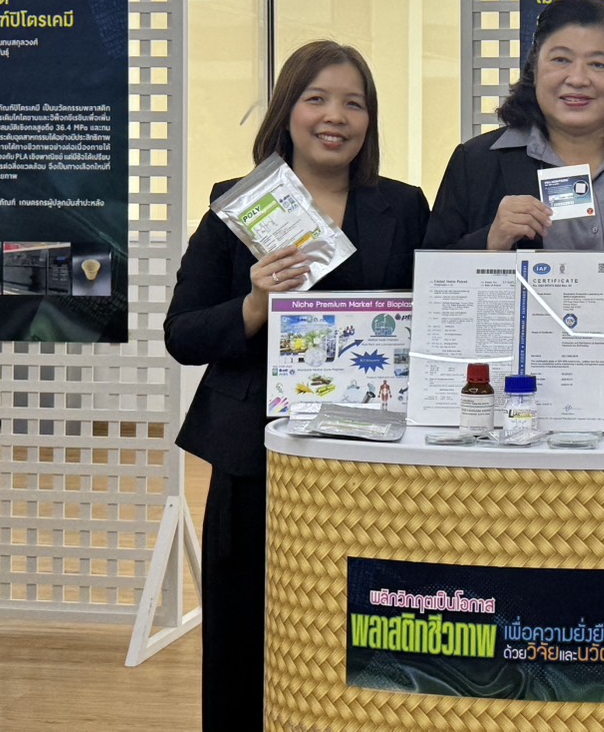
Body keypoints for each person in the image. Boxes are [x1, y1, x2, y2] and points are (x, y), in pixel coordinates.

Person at [164, 41, 430, 732]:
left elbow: (434, 315)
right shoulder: (238, 205)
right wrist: (255, 303)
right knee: (244, 635)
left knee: (361, 635)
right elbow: (182, 334)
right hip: (257, 462)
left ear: (369, 120)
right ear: (288, 111)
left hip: (372, 463)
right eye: (317, 99)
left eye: (353, 103)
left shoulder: (402, 207)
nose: (335, 117)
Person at [424, 0, 604, 253]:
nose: (577, 79)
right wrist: (489, 242)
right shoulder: (475, 163)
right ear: (535, 69)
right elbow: (429, 278)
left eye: (598, 64)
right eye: (561, 60)